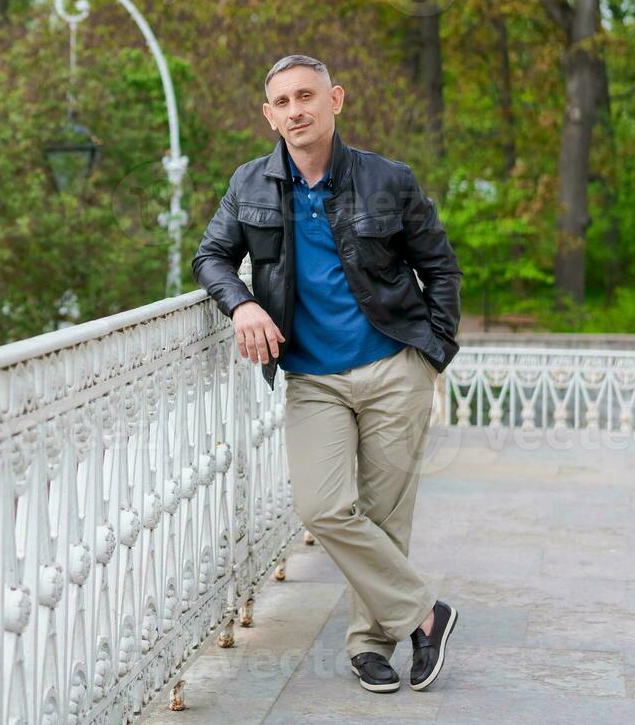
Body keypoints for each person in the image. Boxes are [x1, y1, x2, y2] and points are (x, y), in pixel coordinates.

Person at [191, 55, 462, 693]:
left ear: (335, 99)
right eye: (282, 102)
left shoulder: (387, 179)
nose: (295, 111)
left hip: (394, 365)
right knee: (323, 506)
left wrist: (434, 350)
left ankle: (371, 645)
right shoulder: (249, 184)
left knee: (387, 513)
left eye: (306, 97)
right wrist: (244, 301)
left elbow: (441, 268)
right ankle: (426, 613)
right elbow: (211, 256)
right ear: (268, 115)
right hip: (313, 376)